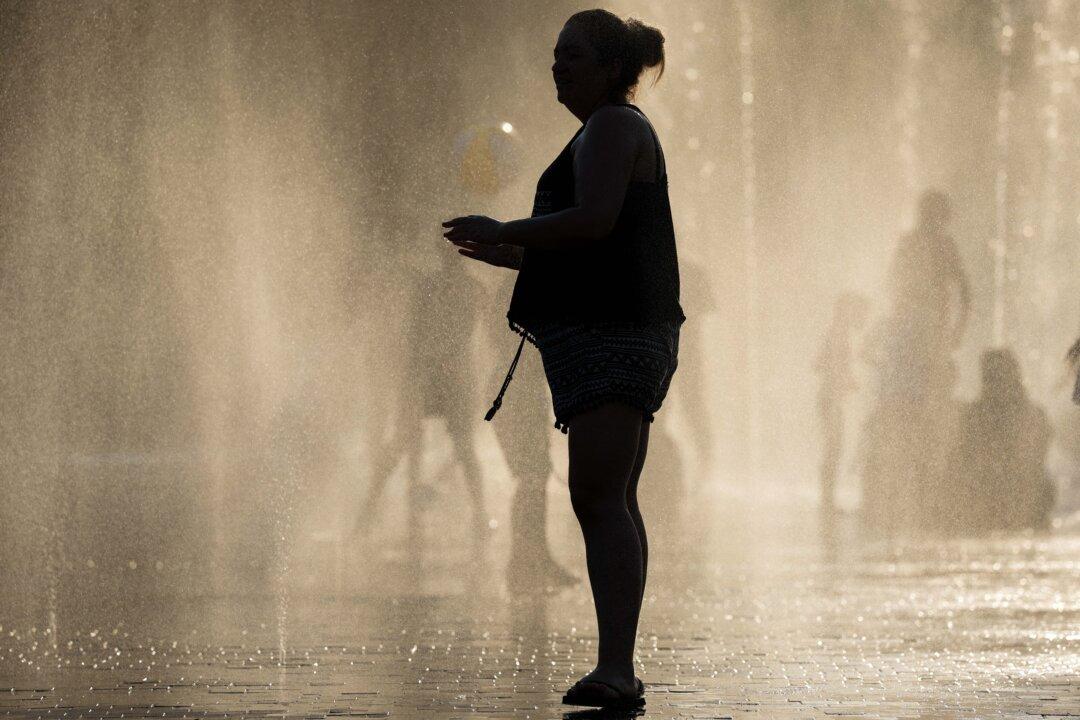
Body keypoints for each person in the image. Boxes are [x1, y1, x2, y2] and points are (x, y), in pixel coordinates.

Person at [442, 9, 683, 710]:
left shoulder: (613, 124)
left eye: (572, 55)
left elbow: (596, 220)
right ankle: (617, 663)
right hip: (620, 329)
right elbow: (592, 241)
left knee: (599, 497)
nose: (558, 65)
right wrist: (512, 252)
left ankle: (617, 667)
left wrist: (508, 229)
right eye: (555, 55)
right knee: (610, 497)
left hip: (617, 333)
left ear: (612, 68)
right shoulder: (604, 128)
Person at [945, 349, 1055, 533]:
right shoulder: (1034, 414)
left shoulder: (974, 415)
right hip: (1018, 503)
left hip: (1002, 502)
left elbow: (961, 459)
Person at [814, 293, 869, 516]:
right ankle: (827, 502)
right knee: (833, 450)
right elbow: (821, 364)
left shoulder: (836, 332)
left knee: (833, 449)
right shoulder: (838, 334)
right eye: (861, 313)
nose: (863, 320)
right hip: (830, 399)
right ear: (848, 310)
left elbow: (817, 363)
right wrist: (842, 378)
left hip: (829, 397)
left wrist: (845, 378)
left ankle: (827, 501)